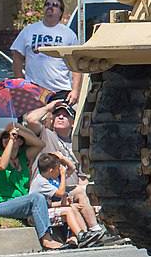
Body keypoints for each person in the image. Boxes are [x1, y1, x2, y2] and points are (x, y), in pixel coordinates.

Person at [25, 99, 116, 243]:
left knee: (87, 191)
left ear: (73, 122)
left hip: (66, 192)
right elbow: (30, 119)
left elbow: (82, 176)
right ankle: (93, 231)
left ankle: (96, 232)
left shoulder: (77, 146)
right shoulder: (46, 135)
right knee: (80, 192)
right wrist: (48, 107)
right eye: (57, 114)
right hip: (48, 194)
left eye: (65, 115)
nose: (60, 117)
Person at [0, 122, 66, 250]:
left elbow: (40, 144)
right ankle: (46, 240)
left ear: (21, 142)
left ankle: (75, 237)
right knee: (37, 197)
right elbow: (2, 165)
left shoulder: (24, 157)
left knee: (59, 203)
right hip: (2, 204)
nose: (8, 138)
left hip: (23, 203)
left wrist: (19, 130)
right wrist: (11, 140)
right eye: (4, 137)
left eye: (12, 136)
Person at [10, 0, 80, 104]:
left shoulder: (69, 35)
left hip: (60, 91)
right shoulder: (29, 30)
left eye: (55, 5)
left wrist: (75, 90)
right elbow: (17, 56)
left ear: (61, 12)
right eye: (47, 4)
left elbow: (76, 64)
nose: (50, 7)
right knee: (32, 116)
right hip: (33, 90)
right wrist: (20, 82)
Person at [30, 152, 93, 247]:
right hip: (39, 216)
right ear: (51, 170)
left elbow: (47, 204)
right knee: (68, 211)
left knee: (73, 207)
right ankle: (81, 235)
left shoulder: (49, 178)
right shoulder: (41, 182)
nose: (60, 170)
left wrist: (62, 203)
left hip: (45, 211)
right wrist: (63, 175)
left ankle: (77, 237)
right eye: (58, 168)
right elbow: (60, 193)